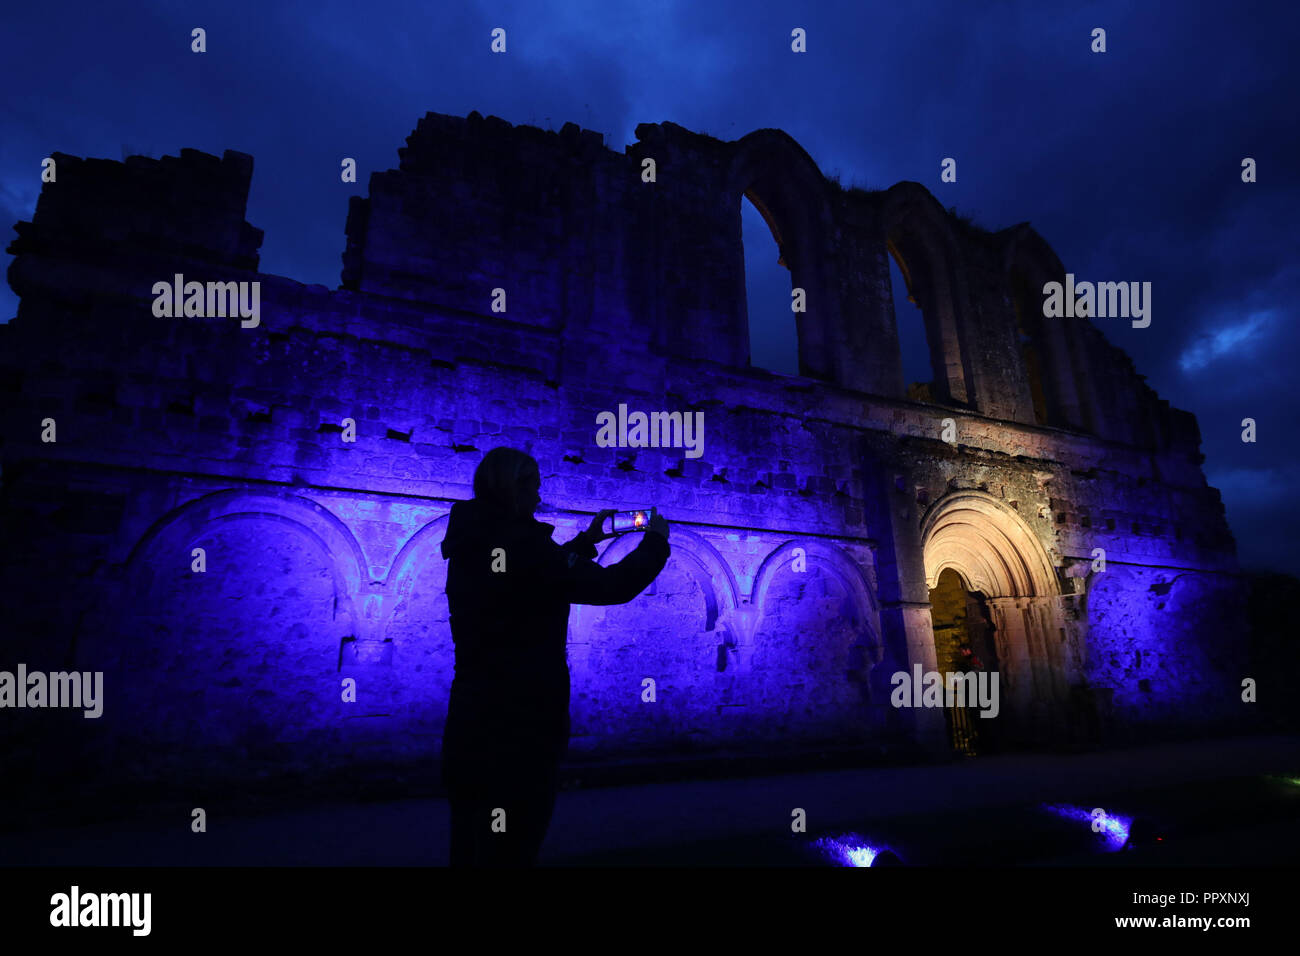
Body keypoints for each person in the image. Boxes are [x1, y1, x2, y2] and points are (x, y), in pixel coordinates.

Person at [439, 446, 670, 866]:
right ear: (516, 488)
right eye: (534, 487)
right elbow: (610, 587)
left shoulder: (472, 540)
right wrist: (655, 543)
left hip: (472, 718)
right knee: (511, 847)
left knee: (472, 842)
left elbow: (532, 576)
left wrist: (587, 540)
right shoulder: (524, 547)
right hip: (521, 725)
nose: (539, 498)